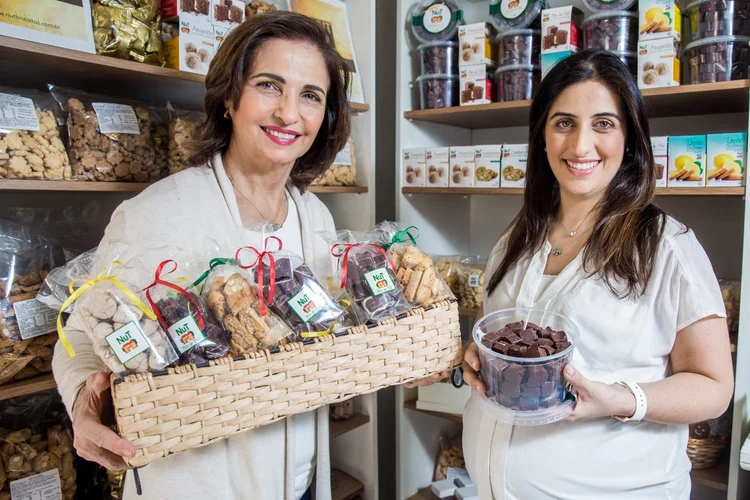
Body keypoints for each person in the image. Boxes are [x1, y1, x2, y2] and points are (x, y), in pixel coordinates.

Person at [51, 11, 351, 500]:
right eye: (269, 86)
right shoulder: (157, 213)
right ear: (230, 97)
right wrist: (85, 400)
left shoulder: (315, 216)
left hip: (300, 485)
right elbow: (79, 332)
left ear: (325, 117)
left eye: (310, 96)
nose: (289, 114)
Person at [460, 50, 734, 499]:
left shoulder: (666, 246)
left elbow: (713, 387)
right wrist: (482, 356)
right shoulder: (519, 235)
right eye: (564, 122)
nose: (580, 145)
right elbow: (510, 336)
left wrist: (622, 398)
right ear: (542, 136)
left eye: (603, 124)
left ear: (630, 137)